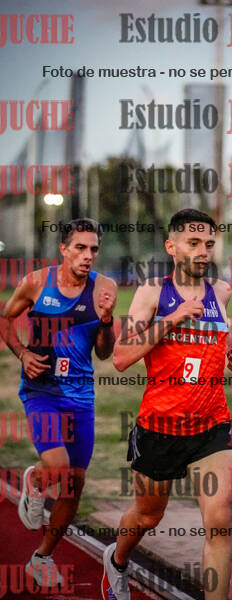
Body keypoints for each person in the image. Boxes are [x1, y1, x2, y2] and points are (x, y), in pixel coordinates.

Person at [102, 208, 232, 600]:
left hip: (211, 426)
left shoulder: (221, 292)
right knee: (149, 515)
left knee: (220, 523)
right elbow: (121, 357)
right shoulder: (152, 292)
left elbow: (221, 338)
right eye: (193, 243)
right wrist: (174, 318)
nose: (203, 251)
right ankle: (117, 559)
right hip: (160, 428)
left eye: (209, 244)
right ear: (171, 247)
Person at [0, 217, 116, 589]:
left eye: (93, 249)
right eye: (80, 248)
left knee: (75, 484)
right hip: (43, 392)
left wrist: (107, 322)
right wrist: (22, 353)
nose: (88, 255)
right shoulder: (36, 282)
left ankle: (42, 556)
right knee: (58, 467)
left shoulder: (105, 288)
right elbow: (6, 319)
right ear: (63, 249)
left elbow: (104, 353)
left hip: (81, 396)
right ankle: (36, 480)